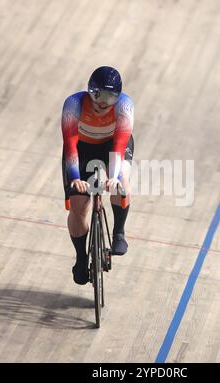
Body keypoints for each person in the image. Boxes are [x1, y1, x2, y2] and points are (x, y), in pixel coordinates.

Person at [61, 66, 134, 285]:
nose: (103, 102)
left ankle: (119, 232)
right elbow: (70, 144)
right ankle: (81, 257)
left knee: (121, 183)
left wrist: (114, 176)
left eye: (110, 97)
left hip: (112, 145)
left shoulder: (125, 106)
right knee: (78, 204)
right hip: (81, 148)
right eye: (98, 95)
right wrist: (75, 177)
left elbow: (120, 145)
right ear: (89, 90)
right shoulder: (73, 104)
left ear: (118, 97)